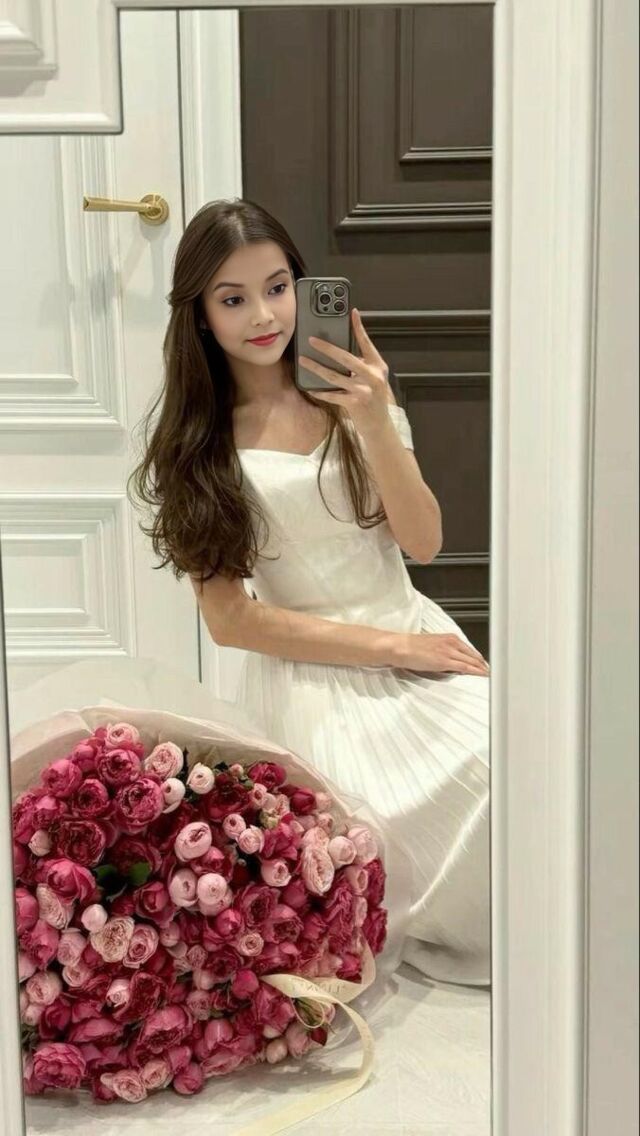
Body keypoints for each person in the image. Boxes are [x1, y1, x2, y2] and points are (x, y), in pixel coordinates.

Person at [128, 198, 491, 986]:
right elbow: (231, 621)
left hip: (415, 637)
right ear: (201, 318)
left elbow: (424, 541)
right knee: (393, 826)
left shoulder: (352, 395)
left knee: (516, 756)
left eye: (277, 287)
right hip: (314, 678)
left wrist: (376, 423)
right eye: (233, 299)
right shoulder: (200, 446)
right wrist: (395, 649)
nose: (263, 316)